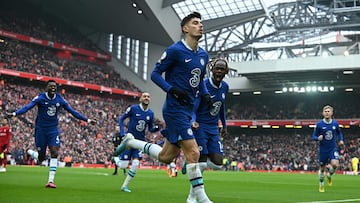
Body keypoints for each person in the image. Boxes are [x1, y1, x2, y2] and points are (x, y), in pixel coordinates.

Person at [114, 12, 213, 203]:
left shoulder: (203, 55)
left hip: (188, 109)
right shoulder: (175, 50)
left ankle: (132, 142)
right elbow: (155, 74)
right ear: (185, 28)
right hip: (175, 109)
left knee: (166, 157)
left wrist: (206, 94)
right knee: (193, 152)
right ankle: (201, 198)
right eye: (195, 23)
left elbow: (199, 80)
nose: (200, 26)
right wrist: (172, 90)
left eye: (201, 23)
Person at [7, 80, 96, 188]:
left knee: (54, 151)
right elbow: (27, 107)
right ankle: (31, 152)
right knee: (41, 157)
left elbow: (73, 112)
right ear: (46, 88)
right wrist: (14, 114)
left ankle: (50, 181)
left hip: (53, 130)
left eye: (54, 86)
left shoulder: (60, 99)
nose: (53, 87)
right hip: (40, 130)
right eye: (50, 86)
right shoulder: (40, 98)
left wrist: (87, 120)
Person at [183, 58, 229, 200]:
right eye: (217, 68)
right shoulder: (203, 85)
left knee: (218, 162)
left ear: (226, 72)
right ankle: (192, 198)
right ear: (212, 69)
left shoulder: (225, 87)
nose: (219, 71)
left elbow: (221, 107)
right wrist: (193, 120)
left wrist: (224, 125)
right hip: (201, 126)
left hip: (214, 128)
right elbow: (195, 105)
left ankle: (190, 160)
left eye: (222, 69)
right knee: (202, 164)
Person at [114, 92, 160, 192]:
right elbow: (121, 119)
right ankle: (116, 159)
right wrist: (122, 133)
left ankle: (124, 186)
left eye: (148, 96)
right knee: (123, 165)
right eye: (144, 96)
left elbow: (150, 129)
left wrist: (156, 128)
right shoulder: (133, 108)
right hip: (129, 140)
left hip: (140, 142)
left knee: (135, 164)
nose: (147, 98)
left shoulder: (150, 113)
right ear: (140, 99)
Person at [312, 105, 344, 192]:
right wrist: (317, 138)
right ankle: (321, 184)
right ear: (323, 113)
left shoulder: (335, 123)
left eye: (328, 111)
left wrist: (341, 140)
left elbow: (339, 133)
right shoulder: (319, 124)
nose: (327, 113)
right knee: (322, 168)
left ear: (331, 113)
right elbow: (313, 136)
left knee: (335, 165)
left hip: (332, 148)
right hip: (323, 150)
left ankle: (329, 175)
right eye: (325, 111)